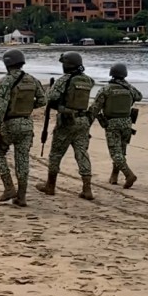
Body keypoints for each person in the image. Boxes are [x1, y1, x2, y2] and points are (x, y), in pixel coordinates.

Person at [0, 48, 46, 207]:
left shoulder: (5, 81)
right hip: (27, 123)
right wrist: (28, 107)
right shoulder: (32, 80)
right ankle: (21, 197)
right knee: (22, 160)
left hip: (10, 123)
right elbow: (43, 100)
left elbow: (1, 107)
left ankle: (9, 187)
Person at [36, 51, 96, 200]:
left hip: (67, 121)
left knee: (56, 153)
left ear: (68, 65)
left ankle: (50, 186)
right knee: (82, 153)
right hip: (83, 120)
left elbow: (50, 98)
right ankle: (87, 188)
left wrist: (50, 92)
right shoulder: (88, 80)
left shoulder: (64, 80)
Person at [90, 62, 142, 189]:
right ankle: (114, 176)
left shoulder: (106, 89)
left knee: (115, 152)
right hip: (127, 123)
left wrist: (88, 123)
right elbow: (139, 96)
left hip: (112, 123)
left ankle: (128, 174)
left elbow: (95, 108)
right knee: (121, 151)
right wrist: (126, 85)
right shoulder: (129, 89)